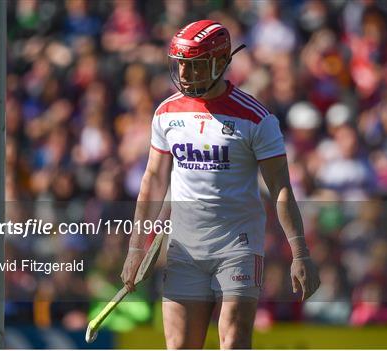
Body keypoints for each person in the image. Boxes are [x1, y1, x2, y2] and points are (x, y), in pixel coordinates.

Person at [120, 20, 320, 349]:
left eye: (194, 65)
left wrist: (300, 253)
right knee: (181, 345)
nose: (184, 74)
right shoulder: (166, 113)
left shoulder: (257, 118)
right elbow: (153, 181)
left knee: (233, 341)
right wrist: (135, 249)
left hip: (237, 246)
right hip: (184, 248)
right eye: (181, 64)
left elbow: (281, 188)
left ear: (219, 63)